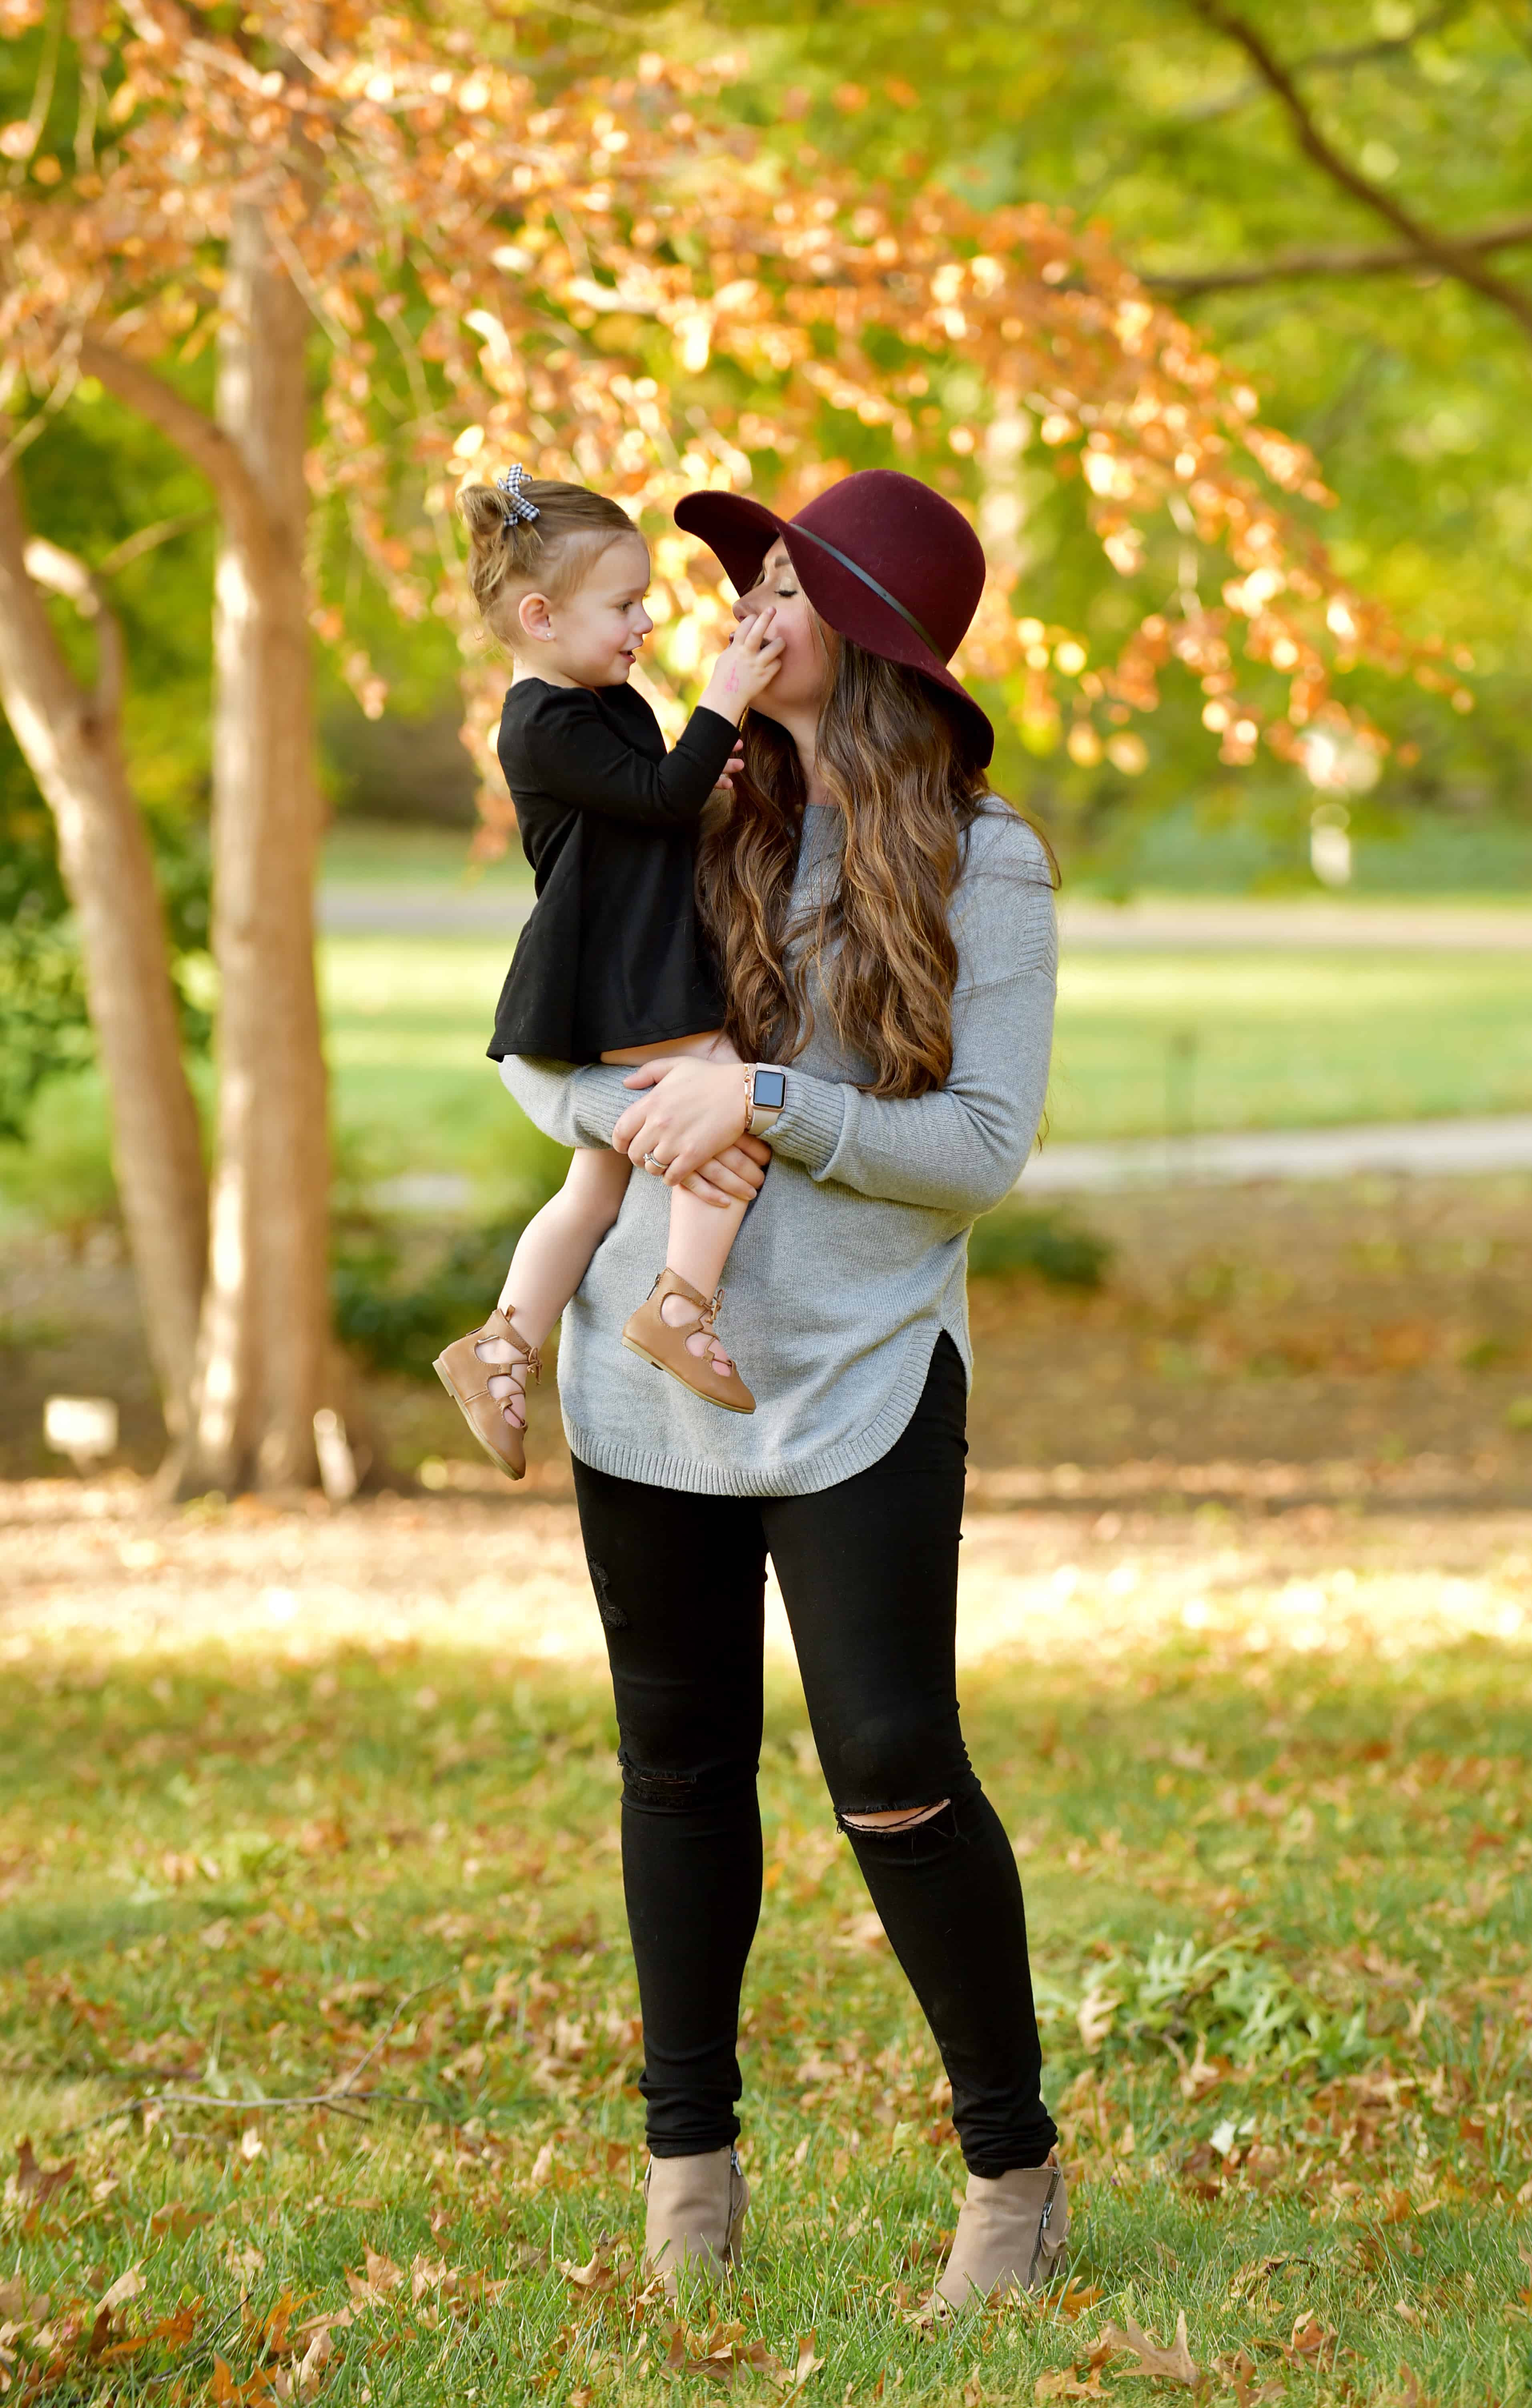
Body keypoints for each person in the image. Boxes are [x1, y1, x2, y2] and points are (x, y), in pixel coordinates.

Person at [500, 468, 1066, 2310]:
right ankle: (689, 2169)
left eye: (781, 579)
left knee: (890, 1762)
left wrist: (767, 1101)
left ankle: (1009, 2167)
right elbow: (538, 1053)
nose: (737, 596)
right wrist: (635, 1112)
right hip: (645, 1380)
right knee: (674, 1765)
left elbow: (975, 1151)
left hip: (859, 1379)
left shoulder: (988, 860)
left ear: (868, 639)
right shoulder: (670, 802)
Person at [433, 470, 787, 1479]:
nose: (646, 620)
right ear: (539, 616)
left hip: (623, 951)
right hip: (617, 967)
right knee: (728, 1103)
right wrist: (725, 700)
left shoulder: (599, 700)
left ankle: (503, 1342)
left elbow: (655, 809)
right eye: (625, 604)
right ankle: (680, 1302)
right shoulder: (540, 718)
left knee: (594, 1185)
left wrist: (701, 792)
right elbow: (661, 791)